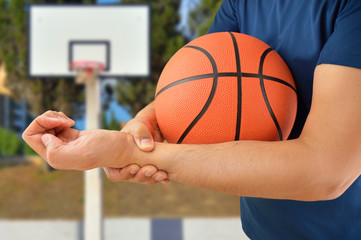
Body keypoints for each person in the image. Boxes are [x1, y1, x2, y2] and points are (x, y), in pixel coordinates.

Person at [23, 0, 361, 239]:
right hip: (263, 229)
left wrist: (128, 152)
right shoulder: (241, 4)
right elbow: (197, 84)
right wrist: (141, 127)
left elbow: (326, 170)